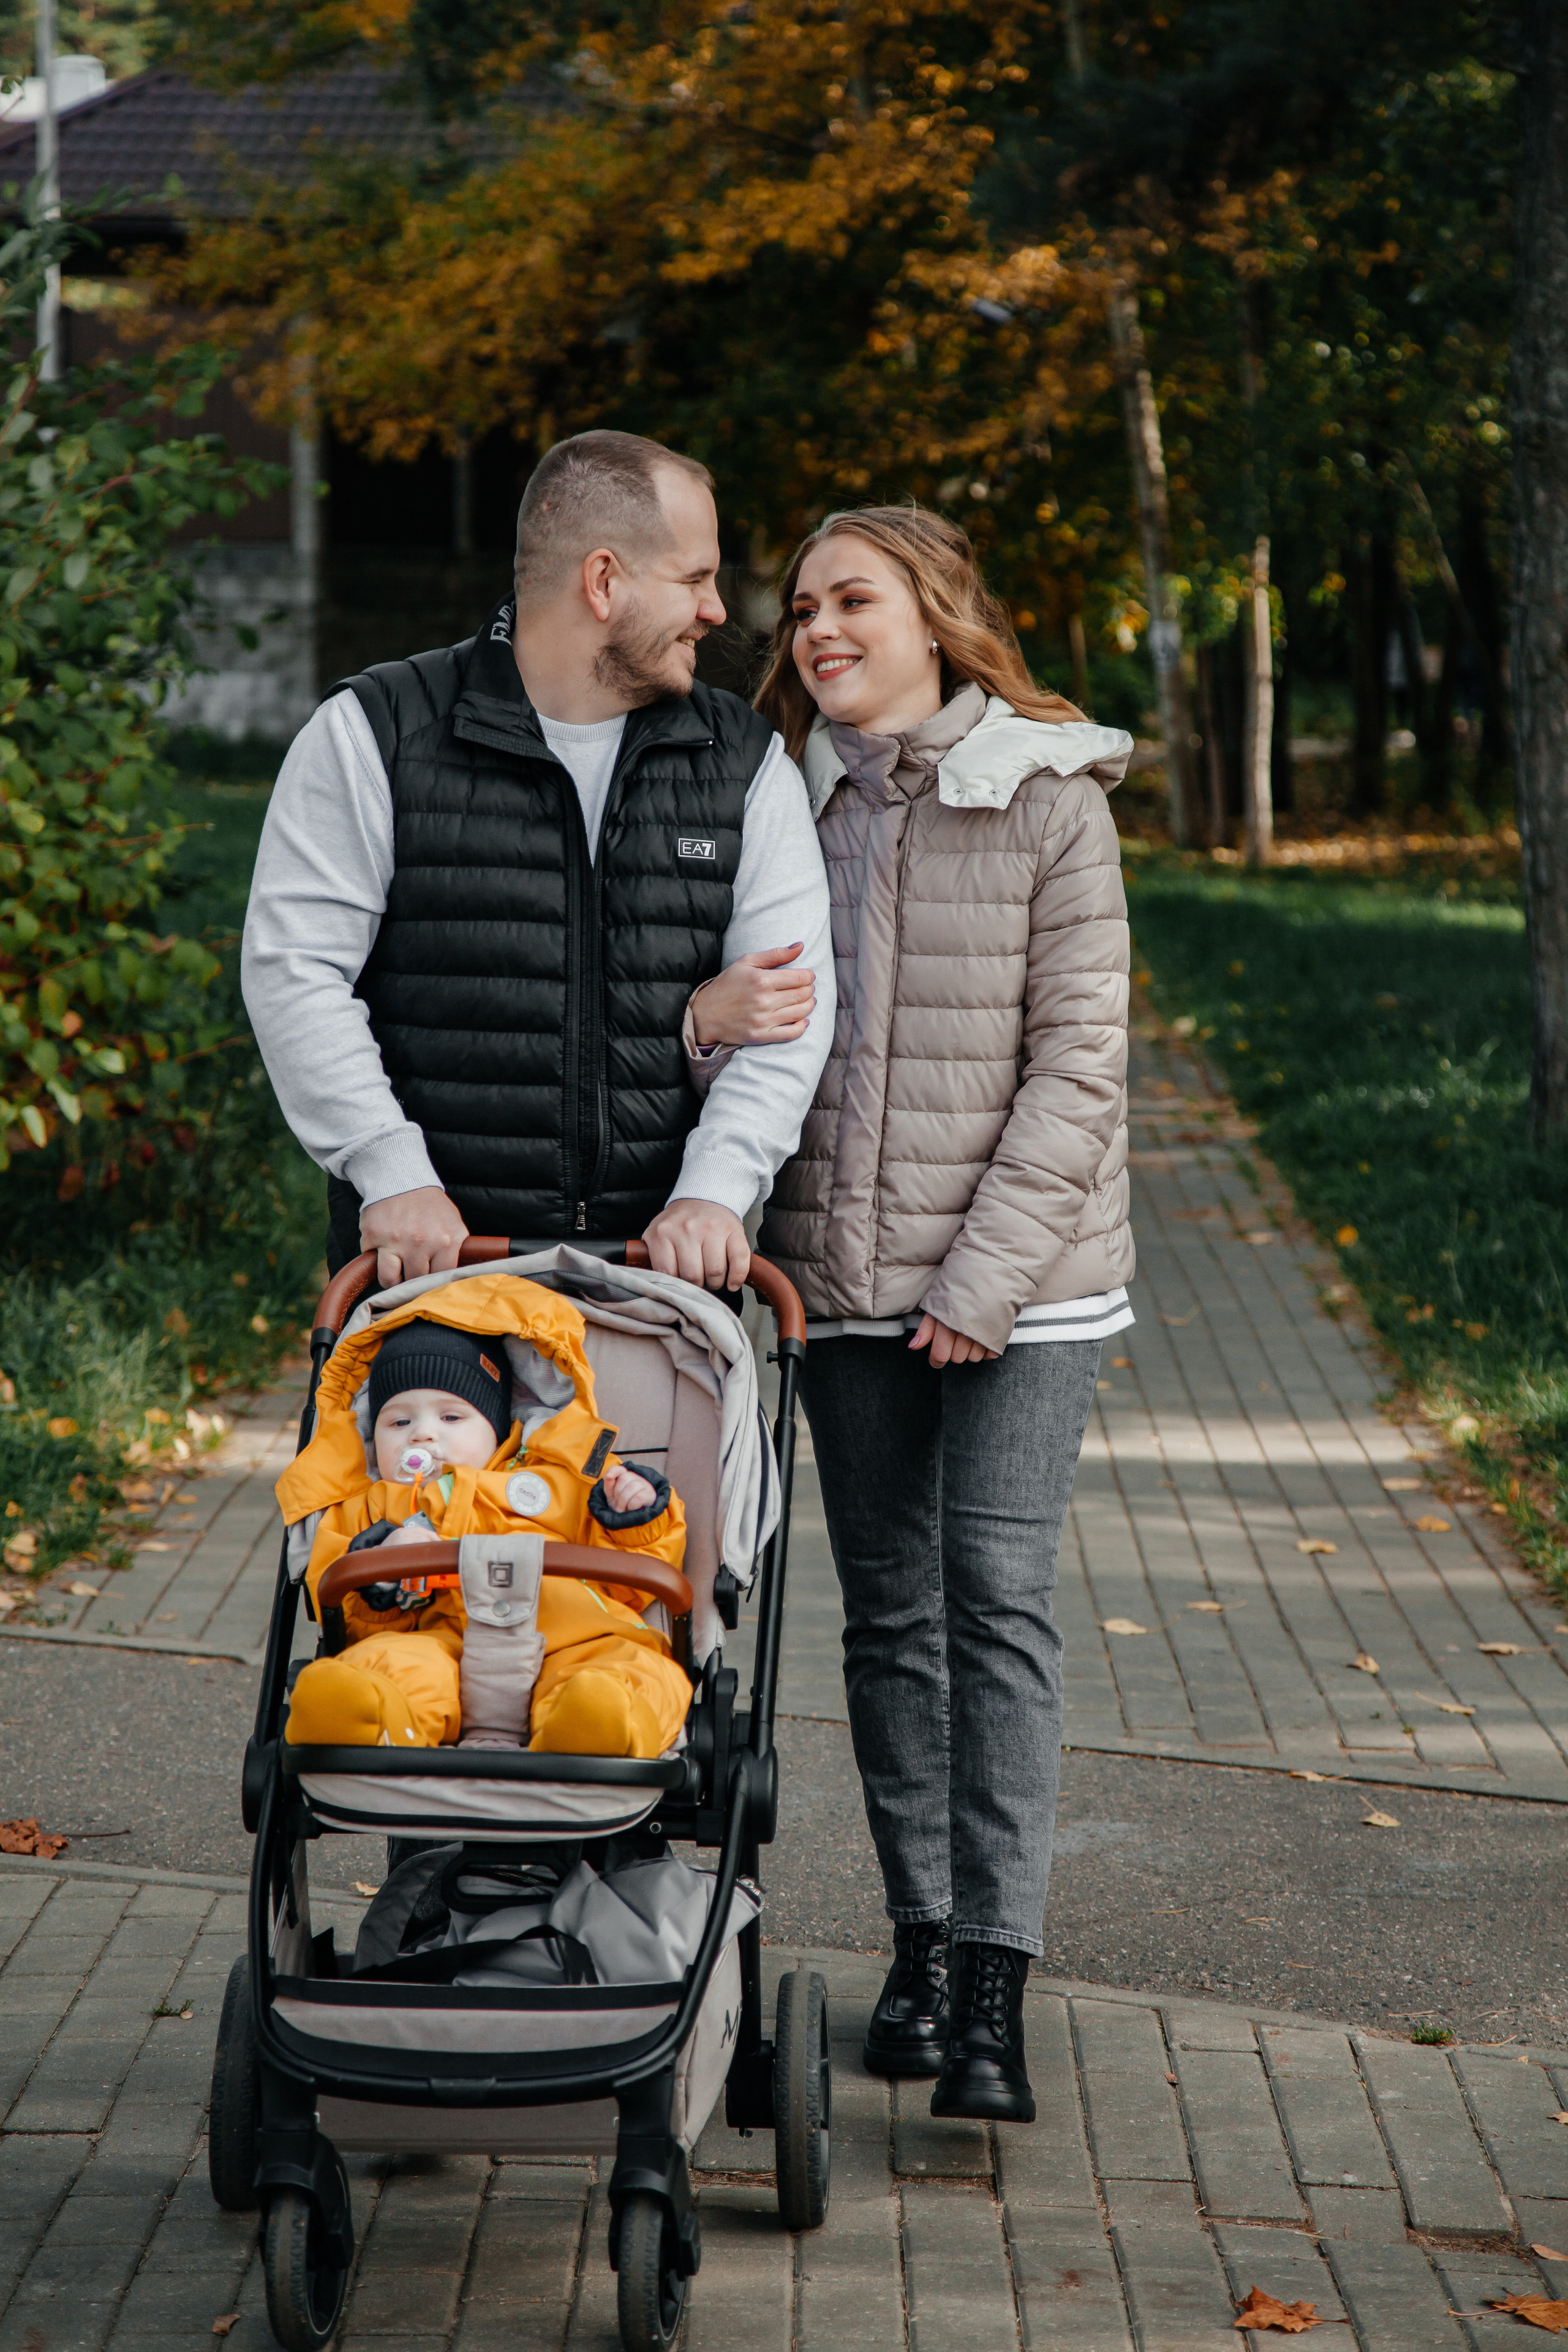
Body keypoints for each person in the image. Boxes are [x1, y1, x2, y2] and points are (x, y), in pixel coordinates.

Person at [689, 507, 1134, 2123]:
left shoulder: (1051, 798)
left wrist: (981, 1282)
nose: (814, 629)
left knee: (994, 1599)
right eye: (797, 606)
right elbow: (706, 1019)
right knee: (888, 1620)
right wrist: (696, 1021)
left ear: (934, 611)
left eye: (850, 598)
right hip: (841, 1282)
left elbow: (1079, 1063)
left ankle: (999, 1991)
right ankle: (923, 1945)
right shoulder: (770, 805)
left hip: (1031, 1287)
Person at [242, 430, 832, 1294]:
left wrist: (715, 1193)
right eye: (695, 578)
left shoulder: (742, 761)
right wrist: (392, 1171)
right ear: (603, 581)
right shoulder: (375, 734)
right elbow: (296, 972)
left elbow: (791, 1011)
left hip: (654, 1290)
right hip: (435, 1287)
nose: (715, 609)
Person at [278, 1279, 692, 1758]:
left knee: (627, 1670)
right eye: (398, 1422)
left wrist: (636, 1517)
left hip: (571, 1634)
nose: (423, 1437)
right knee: (382, 1665)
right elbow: (341, 1616)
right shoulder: (371, 1506)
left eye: (452, 1419)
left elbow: (635, 1585)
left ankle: (597, 1724)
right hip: (438, 1644)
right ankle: (366, 1718)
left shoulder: (564, 1477)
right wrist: (381, 1580)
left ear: (498, 1426)